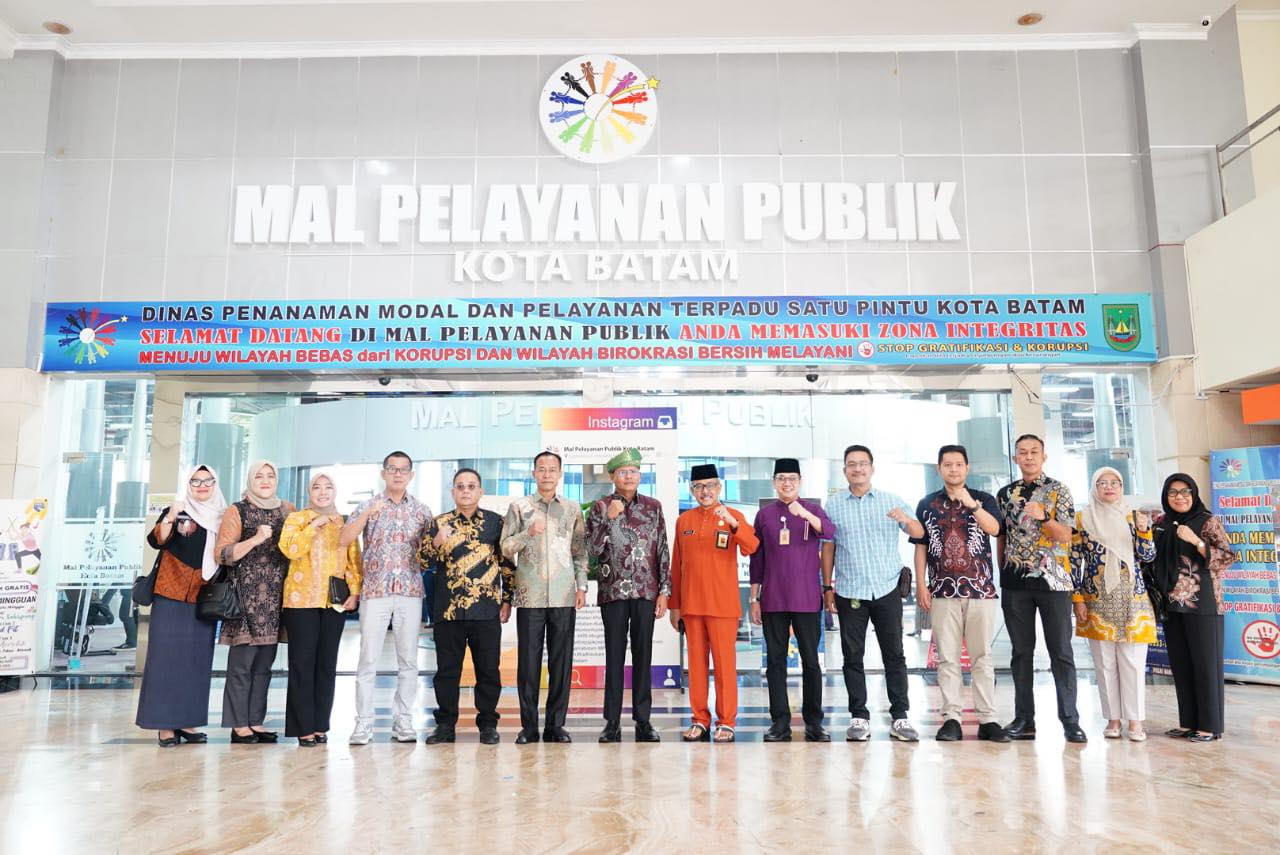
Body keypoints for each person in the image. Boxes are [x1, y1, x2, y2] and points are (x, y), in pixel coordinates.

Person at [822, 444, 923, 743]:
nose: (857, 469)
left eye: (862, 463)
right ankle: (859, 717)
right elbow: (828, 548)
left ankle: (900, 716)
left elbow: (919, 533)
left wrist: (905, 519)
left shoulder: (891, 500)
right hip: (850, 590)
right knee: (852, 656)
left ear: (872, 468)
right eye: (852, 464)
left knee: (895, 654)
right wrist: (827, 587)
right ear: (845, 470)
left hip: (886, 588)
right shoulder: (834, 506)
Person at [911, 445, 1007, 742]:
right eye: (948, 464)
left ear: (967, 468)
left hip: (980, 591)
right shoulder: (927, 504)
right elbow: (921, 547)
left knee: (982, 657)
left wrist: (972, 505)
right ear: (939, 468)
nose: (953, 469)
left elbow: (995, 529)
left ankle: (988, 719)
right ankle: (951, 718)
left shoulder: (984, 499)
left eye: (958, 464)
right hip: (942, 591)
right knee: (948, 658)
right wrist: (921, 585)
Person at [995, 434, 1086, 744]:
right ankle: (1024, 719)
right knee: (1021, 653)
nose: (1029, 457)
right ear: (1015, 458)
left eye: (1034, 451)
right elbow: (1002, 537)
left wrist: (1044, 516)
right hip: (1015, 583)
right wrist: (1003, 572)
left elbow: (1065, 536)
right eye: (1023, 452)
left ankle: (1070, 720)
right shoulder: (1005, 494)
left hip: (1054, 582)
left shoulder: (1059, 490)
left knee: (1061, 651)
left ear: (1044, 456)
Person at [341, 451, 433, 745]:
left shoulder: (422, 510)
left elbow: (431, 550)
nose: (398, 474)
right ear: (383, 473)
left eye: (403, 470)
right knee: (368, 659)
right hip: (376, 591)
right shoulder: (368, 505)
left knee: (408, 660)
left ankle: (403, 720)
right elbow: (344, 538)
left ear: (411, 475)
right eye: (392, 469)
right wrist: (366, 515)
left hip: (409, 591)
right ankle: (363, 723)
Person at [418, 469, 514, 745]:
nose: (466, 491)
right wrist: (436, 542)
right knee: (447, 672)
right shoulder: (439, 523)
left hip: (486, 610)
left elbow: (507, 564)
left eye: (471, 486)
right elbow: (422, 562)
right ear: (453, 492)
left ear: (480, 491)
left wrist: (507, 599)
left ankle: (488, 724)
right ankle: (445, 725)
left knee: (488, 670)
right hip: (448, 610)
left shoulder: (496, 523)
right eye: (460, 486)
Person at [500, 450, 588, 744]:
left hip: (563, 595)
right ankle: (528, 727)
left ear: (560, 473)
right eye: (541, 469)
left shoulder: (572, 509)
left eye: (552, 469)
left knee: (561, 663)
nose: (547, 474)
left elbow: (580, 551)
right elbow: (505, 548)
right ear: (534, 473)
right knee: (528, 664)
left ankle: (556, 725)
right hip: (530, 595)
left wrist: (581, 586)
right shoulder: (519, 507)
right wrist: (527, 533)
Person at [135, 465, 227, 747]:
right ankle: (164, 724)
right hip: (170, 594)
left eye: (208, 481)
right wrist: (172, 514)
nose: (202, 485)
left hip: (204, 597)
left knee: (196, 662)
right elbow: (157, 540)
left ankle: (187, 720)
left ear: (215, 483)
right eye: (195, 481)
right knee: (164, 660)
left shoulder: (223, 516)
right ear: (188, 484)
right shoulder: (178, 511)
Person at [669, 463, 758, 743]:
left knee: (724, 666)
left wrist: (732, 522)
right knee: (696, 667)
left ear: (719, 487)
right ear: (691, 490)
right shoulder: (684, 521)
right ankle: (700, 719)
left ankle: (727, 721)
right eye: (698, 486)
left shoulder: (734, 516)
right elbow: (676, 566)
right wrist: (675, 605)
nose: (704, 491)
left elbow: (752, 546)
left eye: (710, 486)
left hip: (722, 605)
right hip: (692, 606)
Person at [587, 448, 670, 744]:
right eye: (623, 472)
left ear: (639, 475)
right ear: (613, 476)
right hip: (613, 592)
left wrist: (664, 591)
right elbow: (591, 551)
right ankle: (611, 722)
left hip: (646, 591)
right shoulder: (600, 507)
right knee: (614, 658)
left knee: (643, 657)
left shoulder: (653, 507)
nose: (629, 476)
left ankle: (643, 721)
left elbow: (662, 549)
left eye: (633, 471)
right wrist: (608, 520)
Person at [749, 458, 834, 743]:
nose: (787, 483)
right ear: (774, 482)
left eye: (792, 479)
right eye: (781, 479)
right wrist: (754, 598)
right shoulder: (764, 515)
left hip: (807, 599)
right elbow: (757, 559)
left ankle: (814, 723)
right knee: (775, 663)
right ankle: (779, 722)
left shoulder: (813, 510)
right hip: (773, 599)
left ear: (800, 482)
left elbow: (830, 532)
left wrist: (805, 514)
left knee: (811, 662)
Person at [1070, 467, 1156, 741]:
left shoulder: (1134, 515)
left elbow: (1147, 556)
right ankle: (1113, 719)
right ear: (1094, 487)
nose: (1109, 487)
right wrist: (1077, 598)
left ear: (1122, 487)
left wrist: (1144, 531)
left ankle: (1136, 721)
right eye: (1102, 483)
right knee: (1104, 664)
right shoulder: (1082, 518)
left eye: (1115, 483)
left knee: (1133, 662)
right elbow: (1073, 560)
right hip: (1097, 599)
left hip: (1132, 598)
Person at [278, 471, 362, 747]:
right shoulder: (297, 519)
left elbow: (353, 560)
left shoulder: (343, 522)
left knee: (326, 664)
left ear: (335, 492)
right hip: (300, 601)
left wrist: (355, 592)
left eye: (328, 487)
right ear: (309, 492)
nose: (323, 492)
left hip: (333, 602)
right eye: (317, 487)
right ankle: (303, 728)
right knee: (302, 664)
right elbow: (289, 549)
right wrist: (313, 526)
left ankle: (319, 725)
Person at [215, 460, 295, 745]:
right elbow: (222, 554)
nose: (265, 480)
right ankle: (239, 725)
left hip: (275, 600)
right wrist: (255, 539)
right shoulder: (238, 510)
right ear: (250, 480)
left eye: (270, 475)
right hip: (245, 599)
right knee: (241, 666)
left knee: (264, 666)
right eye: (259, 476)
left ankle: (256, 721)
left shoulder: (287, 510)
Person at [1153, 473, 1232, 742]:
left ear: (1194, 494)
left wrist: (1197, 542)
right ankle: (1188, 722)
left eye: (1185, 491)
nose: (1179, 497)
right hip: (1172, 605)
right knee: (1182, 665)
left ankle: (1209, 726)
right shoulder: (1161, 523)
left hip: (1204, 604)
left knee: (1206, 665)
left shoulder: (1207, 521)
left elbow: (1227, 557)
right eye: (1173, 492)